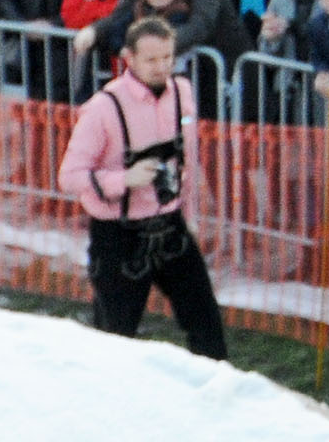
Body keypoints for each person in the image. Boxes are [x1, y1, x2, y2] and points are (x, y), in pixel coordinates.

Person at [65, 18, 228, 357]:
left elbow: (188, 159)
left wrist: (188, 213)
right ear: (129, 58)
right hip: (118, 235)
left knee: (206, 322)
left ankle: (219, 386)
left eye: (167, 57)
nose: (161, 66)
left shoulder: (182, 91)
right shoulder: (103, 107)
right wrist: (123, 180)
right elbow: (70, 176)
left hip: (170, 226)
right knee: (115, 337)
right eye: (152, 59)